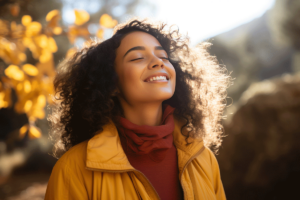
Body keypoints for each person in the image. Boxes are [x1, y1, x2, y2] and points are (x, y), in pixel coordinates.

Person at [45, 18, 230, 200]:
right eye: (138, 58)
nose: (159, 62)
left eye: (163, 56)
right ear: (111, 82)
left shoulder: (203, 159)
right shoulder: (72, 169)